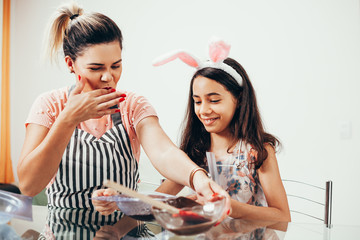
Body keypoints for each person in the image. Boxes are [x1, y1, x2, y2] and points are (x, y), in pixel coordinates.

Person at [17, 2, 230, 236]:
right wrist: (67, 120)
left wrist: (198, 178)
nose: (109, 77)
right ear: (71, 64)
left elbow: (164, 152)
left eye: (116, 65)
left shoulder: (133, 105)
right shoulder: (50, 105)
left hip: (127, 232)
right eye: (96, 68)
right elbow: (29, 185)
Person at [151, 38, 291, 222]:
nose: (203, 110)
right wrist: (181, 203)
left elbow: (281, 215)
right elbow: (152, 204)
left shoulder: (258, 151)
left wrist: (230, 207)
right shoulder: (194, 154)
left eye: (214, 100)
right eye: (197, 101)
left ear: (239, 98)